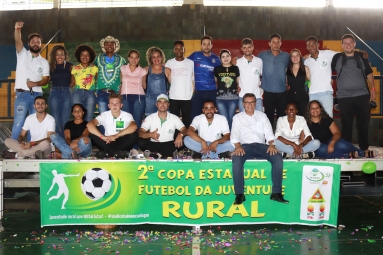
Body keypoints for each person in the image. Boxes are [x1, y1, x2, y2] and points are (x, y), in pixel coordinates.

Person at [231, 93, 288, 205]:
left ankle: (276, 193)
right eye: (247, 102)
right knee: (236, 159)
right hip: (245, 146)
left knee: (277, 157)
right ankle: (239, 194)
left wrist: (271, 144)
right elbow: (235, 134)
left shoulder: (262, 116)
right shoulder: (237, 118)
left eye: (252, 102)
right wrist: (237, 146)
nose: (250, 105)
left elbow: (268, 132)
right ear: (243, 104)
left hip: (261, 146)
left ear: (255, 103)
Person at [331, 34, 376, 154]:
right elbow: (321, 58)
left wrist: (373, 88)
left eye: (350, 42)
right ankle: (347, 150)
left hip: (362, 95)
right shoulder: (336, 57)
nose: (348, 45)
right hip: (344, 97)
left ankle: (364, 148)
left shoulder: (362, 56)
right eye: (345, 43)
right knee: (346, 126)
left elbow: (369, 73)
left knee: (363, 124)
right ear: (342, 45)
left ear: (354, 44)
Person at [11, 21, 50, 140]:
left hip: (37, 95)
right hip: (22, 94)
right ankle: (14, 149)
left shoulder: (44, 62)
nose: (35, 44)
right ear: (28, 44)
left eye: (38, 42)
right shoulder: (22, 53)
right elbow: (18, 41)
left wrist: (35, 83)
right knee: (19, 121)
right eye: (33, 42)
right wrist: (17, 28)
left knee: (34, 123)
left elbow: (46, 80)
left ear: (40, 44)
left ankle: (31, 150)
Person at [87, 93, 138, 159]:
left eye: (117, 103)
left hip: (121, 142)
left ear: (121, 105)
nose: (114, 106)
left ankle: (107, 153)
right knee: (92, 132)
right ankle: (117, 153)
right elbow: (89, 125)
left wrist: (116, 136)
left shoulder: (127, 115)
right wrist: (103, 137)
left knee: (134, 134)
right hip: (107, 141)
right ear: (108, 105)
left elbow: (134, 126)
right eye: (112, 103)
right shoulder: (104, 115)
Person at [138, 94, 187, 158]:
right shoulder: (150, 118)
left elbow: (185, 130)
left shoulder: (174, 117)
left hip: (169, 144)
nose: (162, 104)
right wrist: (150, 134)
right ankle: (166, 154)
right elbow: (140, 133)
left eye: (165, 102)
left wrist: (180, 135)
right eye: (160, 102)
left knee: (186, 139)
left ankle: (156, 155)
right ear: (156, 105)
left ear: (168, 105)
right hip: (154, 144)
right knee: (140, 141)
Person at [258, 33, 290, 127]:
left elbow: (298, 62)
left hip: (282, 92)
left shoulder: (286, 56)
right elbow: (252, 61)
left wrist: (307, 57)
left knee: (282, 117)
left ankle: (280, 137)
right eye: (273, 42)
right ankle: (269, 139)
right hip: (268, 92)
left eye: (278, 42)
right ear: (269, 44)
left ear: (281, 43)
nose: (276, 44)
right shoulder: (262, 55)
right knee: (268, 117)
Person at [188, 35, 221, 120]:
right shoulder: (195, 55)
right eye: (204, 44)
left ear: (211, 45)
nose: (206, 46)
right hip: (199, 91)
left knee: (216, 115)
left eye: (208, 44)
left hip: (212, 91)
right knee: (194, 116)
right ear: (201, 45)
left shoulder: (216, 59)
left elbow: (222, 73)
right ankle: (195, 133)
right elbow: (183, 63)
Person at [304, 36, 337, 117]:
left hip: (326, 93)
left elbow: (342, 55)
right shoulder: (306, 61)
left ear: (317, 45)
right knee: (314, 118)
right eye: (309, 45)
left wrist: (359, 53)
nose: (311, 47)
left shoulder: (327, 54)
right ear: (306, 47)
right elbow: (306, 79)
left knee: (328, 118)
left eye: (313, 44)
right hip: (313, 94)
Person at [165, 40, 194, 128]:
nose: (178, 51)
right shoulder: (169, 63)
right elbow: (165, 75)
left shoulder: (190, 63)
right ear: (174, 50)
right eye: (176, 49)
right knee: (174, 122)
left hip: (187, 97)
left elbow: (194, 78)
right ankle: (175, 140)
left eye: (180, 49)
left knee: (187, 121)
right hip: (174, 97)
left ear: (184, 49)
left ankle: (185, 140)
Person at [95, 36, 126, 114]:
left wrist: (123, 85)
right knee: (103, 117)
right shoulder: (98, 59)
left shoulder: (122, 60)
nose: (109, 46)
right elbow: (94, 72)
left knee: (115, 116)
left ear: (115, 46)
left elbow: (124, 74)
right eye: (107, 44)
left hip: (115, 93)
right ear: (104, 46)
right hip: (102, 93)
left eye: (112, 44)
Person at [48, 45, 73, 138]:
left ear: (65, 55)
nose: (60, 56)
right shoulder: (50, 67)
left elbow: (73, 82)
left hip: (67, 92)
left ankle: (64, 141)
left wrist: (66, 88)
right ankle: (58, 143)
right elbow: (47, 79)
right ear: (54, 56)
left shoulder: (70, 66)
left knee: (65, 120)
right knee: (56, 120)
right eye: (57, 54)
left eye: (62, 54)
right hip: (54, 93)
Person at [120, 49, 147, 130]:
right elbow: (121, 83)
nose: (134, 60)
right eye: (132, 57)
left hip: (139, 98)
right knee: (127, 121)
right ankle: (127, 141)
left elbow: (144, 85)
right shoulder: (123, 68)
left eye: (136, 58)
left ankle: (136, 142)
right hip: (125, 97)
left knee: (137, 121)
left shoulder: (143, 71)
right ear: (128, 58)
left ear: (138, 59)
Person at [71, 44, 98, 122]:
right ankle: (78, 134)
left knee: (89, 117)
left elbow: (99, 81)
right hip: (77, 94)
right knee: (77, 117)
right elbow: (72, 83)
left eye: (87, 55)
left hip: (90, 94)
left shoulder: (95, 68)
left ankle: (87, 134)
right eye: (82, 54)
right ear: (79, 56)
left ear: (90, 57)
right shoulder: (75, 68)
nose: (85, 57)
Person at [214, 49, 240, 129]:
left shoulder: (235, 68)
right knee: (224, 120)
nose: (225, 58)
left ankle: (231, 139)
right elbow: (214, 82)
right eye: (223, 57)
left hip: (233, 98)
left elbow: (238, 82)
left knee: (231, 119)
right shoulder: (217, 69)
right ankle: (227, 138)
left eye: (227, 56)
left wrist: (239, 87)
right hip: (220, 98)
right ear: (220, 59)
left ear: (230, 57)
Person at [236, 38, 263, 112]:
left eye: (249, 47)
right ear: (241, 49)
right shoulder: (238, 62)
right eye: (244, 47)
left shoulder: (259, 61)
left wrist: (261, 86)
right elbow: (233, 76)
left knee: (259, 120)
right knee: (244, 120)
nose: (247, 49)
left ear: (253, 47)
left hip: (257, 96)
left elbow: (261, 76)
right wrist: (236, 86)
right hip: (243, 96)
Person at [143, 46, 171, 116]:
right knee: (150, 121)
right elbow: (143, 85)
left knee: (164, 120)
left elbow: (173, 86)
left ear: (161, 57)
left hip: (163, 100)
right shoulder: (146, 70)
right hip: (149, 100)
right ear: (151, 59)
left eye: (158, 56)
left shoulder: (167, 70)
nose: (156, 59)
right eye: (154, 57)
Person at [286, 49, 310, 116]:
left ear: (300, 56)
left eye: (297, 55)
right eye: (293, 56)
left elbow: (311, 82)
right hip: (291, 97)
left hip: (303, 97)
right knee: (291, 117)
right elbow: (284, 83)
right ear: (290, 58)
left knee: (304, 117)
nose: (295, 58)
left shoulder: (305, 68)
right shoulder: (287, 69)